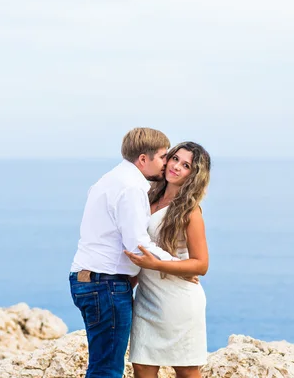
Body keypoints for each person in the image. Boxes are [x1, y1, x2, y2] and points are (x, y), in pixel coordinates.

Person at [69, 127, 180, 378]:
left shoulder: (108, 179)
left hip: (90, 279)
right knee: (107, 369)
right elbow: (137, 245)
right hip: (105, 284)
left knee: (102, 364)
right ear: (143, 159)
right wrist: (179, 265)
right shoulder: (132, 187)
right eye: (163, 157)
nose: (166, 164)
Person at [124, 141, 212, 378]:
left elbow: (201, 264)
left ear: (194, 175)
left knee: (186, 370)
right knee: (141, 367)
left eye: (186, 165)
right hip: (147, 298)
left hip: (178, 302)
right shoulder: (146, 197)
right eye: (175, 159)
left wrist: (156, 264)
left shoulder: (190, 211)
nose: (176, 167)